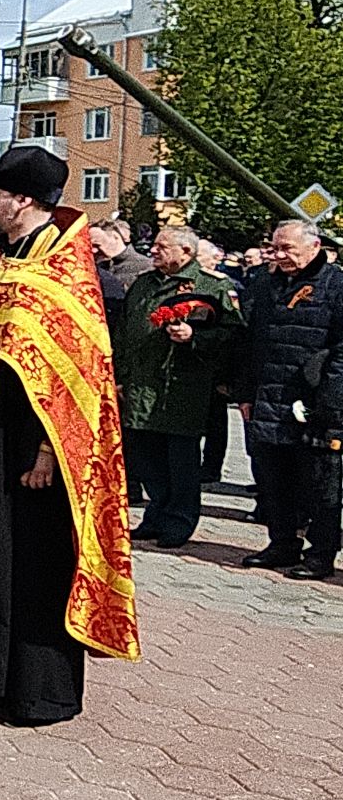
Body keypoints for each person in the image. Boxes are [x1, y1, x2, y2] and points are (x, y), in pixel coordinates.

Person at [0, 148, 139, 725]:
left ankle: (32, 690)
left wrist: (44, 450)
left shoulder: (63, 275)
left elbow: (73, 377)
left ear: (24, 200)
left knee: (27, 562)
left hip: (27, 451)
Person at [116, 226, 242, 548]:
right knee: (147, 459)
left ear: (186, 252)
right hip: (140, 386)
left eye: (162, 246)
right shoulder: (145, 283)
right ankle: (155, 516)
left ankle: (179, 521)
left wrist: (195, 338)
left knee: (181, 462)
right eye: (154, 246)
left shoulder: (212, 287)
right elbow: (124, 331)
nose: (154, 251)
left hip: (183, 389)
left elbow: (232, 336)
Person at [233, 219, 343, 579]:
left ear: (314, 247)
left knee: (319, 485)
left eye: (287, 249)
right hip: (269, 399)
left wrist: (330, 402)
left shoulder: (336, 285)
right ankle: (281, 543)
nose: (279, 256)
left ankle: (320, 554)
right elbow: (250, 342)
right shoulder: (265, 284)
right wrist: (245, 393)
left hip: (316, 403)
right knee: (273, 479)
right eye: (275, 248)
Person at [93, 218, 153, 291]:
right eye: (90, 246)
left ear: (115, 237)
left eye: (97, 245)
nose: (94, 250)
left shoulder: (145, 266)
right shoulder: (97, 268)